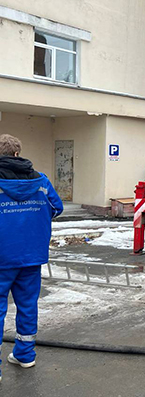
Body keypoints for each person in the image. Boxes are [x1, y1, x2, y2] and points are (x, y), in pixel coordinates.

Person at [0, 134, 63, 382]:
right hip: (31, 256)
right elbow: (56, 208)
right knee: (27, 306)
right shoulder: (41, 180)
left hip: (2, 257)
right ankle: (25, 355)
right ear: (17, 154)